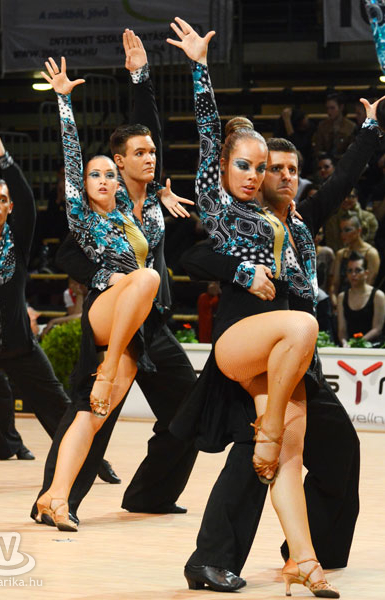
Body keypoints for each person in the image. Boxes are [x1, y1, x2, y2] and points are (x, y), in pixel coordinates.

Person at [176, 88, 384, 591]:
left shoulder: (300, 221)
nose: (284, 176)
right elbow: (193, 257)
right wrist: (242, 272)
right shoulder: (236, 217)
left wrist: (369, 130)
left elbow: (344, 180)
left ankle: (311, 553)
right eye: (274, 169)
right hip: (255, 345)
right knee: (257, 451)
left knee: (336, 447)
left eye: (292, 169)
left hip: (297, 355)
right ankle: (211, 559)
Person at [166, 18, 341, 597]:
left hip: (282, 351)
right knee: (301, 329)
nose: (253, 175)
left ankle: (304, 561)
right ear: (222, 167)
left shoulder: (277, 220)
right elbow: (207, 130)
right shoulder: (220, 206)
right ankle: (265, 429)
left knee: (286, 455)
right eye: (243, 164)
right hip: (243, 338)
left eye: (261, 167)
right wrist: (199, 68)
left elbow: (299, 285)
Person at [34, 38, 197, 530]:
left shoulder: (148, 198)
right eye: (136, 156)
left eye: (152, 154)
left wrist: (141, 74)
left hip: (153, 323)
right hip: (115, 311)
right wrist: (64, 100)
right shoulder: (104, 198)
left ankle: (150, 493)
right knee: (92, 409)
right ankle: (55, 499)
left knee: (187, 410)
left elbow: (145, 138)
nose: (149, 158)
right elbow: (93, 153)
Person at [0, 120, 70, 458]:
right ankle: (9, 445)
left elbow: (25, 196)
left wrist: (3, 158)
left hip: (20, 344)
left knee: (55, 401)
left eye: (2, 200)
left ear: (9, 208)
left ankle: (92, 461)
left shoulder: (18, 239)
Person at [331, 213, 380, 306]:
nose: (343, 234)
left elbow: (369, 283)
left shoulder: (371, 253)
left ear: (358, 230)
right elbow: (335, 284)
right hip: (341, 301)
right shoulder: (341, 254)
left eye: (347, 230)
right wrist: (335, 302)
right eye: (341, 230)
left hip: (364, 302)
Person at [337, 251, 385, 346]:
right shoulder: (342, 297)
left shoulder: (378, 296)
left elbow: (377, 329)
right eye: (350, 271)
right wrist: (344, 343)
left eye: (358, 270)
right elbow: (342, 329)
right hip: (349, 346)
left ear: (366, 273)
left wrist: (357, 343)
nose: (353, 274)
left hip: (373, 346)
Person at [324, 187, 378, 251]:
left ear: (357, 198)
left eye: (350, 196)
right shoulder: (332, 220)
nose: (346, 200)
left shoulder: (369, 218)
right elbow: (331, 243)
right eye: (343, 196)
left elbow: (370, 240)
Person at [313, 92, 356, 160]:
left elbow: (352, 151)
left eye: (332, 108)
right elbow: (318, 149)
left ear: (341, 107)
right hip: (326, 161)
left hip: (344, 161)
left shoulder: (351, 127)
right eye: (327, 108)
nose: (329, 112)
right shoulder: (322, 126)